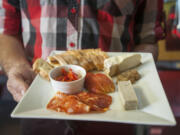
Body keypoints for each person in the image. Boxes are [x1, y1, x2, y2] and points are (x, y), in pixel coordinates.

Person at [0, 0, 164, 135]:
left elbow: (147, 39)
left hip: (116, 113)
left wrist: (138, 74)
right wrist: (17, 67)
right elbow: (6, 31)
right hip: (39, 104)